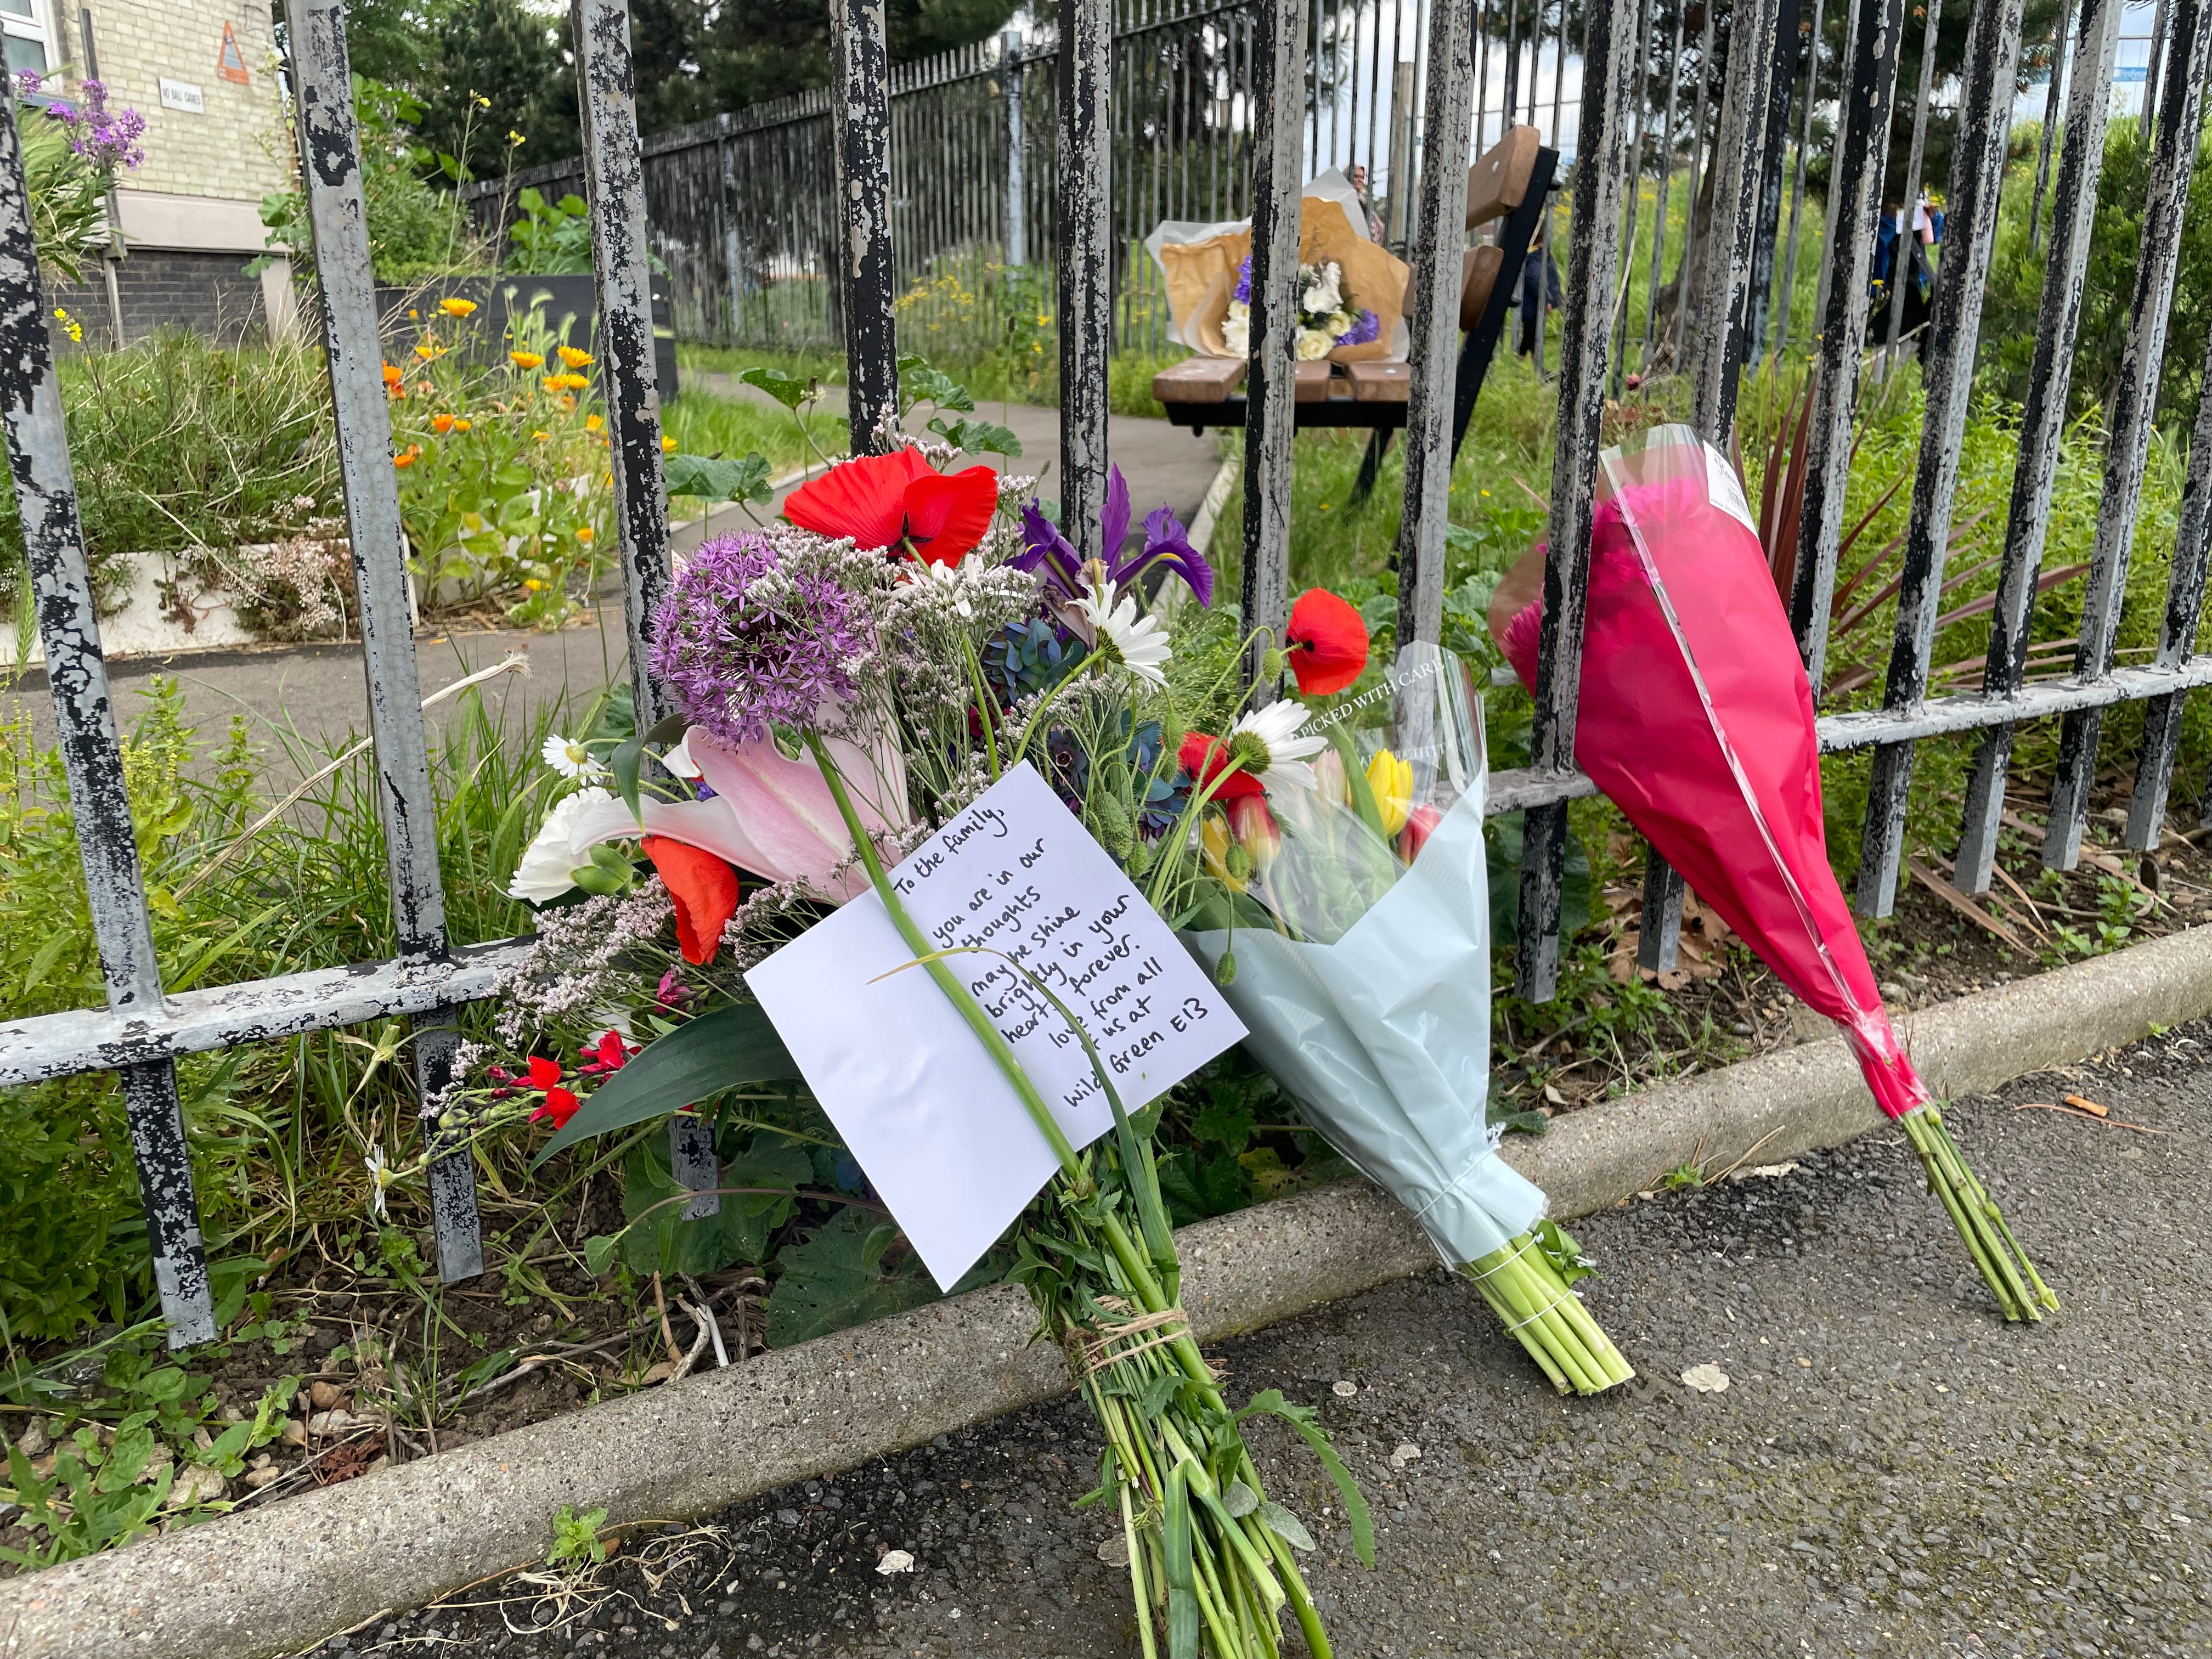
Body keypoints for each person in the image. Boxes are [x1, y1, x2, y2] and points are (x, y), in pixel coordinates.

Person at [1515, 221, 1564, 359]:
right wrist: (1547, 299)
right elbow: (1536, 280)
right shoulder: (1537, 257)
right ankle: (1526, 362)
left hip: (1532, 305)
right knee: (1531, 336)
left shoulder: (1536, 256)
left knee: (1531, 336)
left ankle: (1530, 365)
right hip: (1534, 305)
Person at [1346, 163, 1387, 242]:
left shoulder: (1364, 201)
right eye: (1356, 176)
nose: (1360, 180)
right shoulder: (1345, 200)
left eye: (1362, 177)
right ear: (1348, 177)